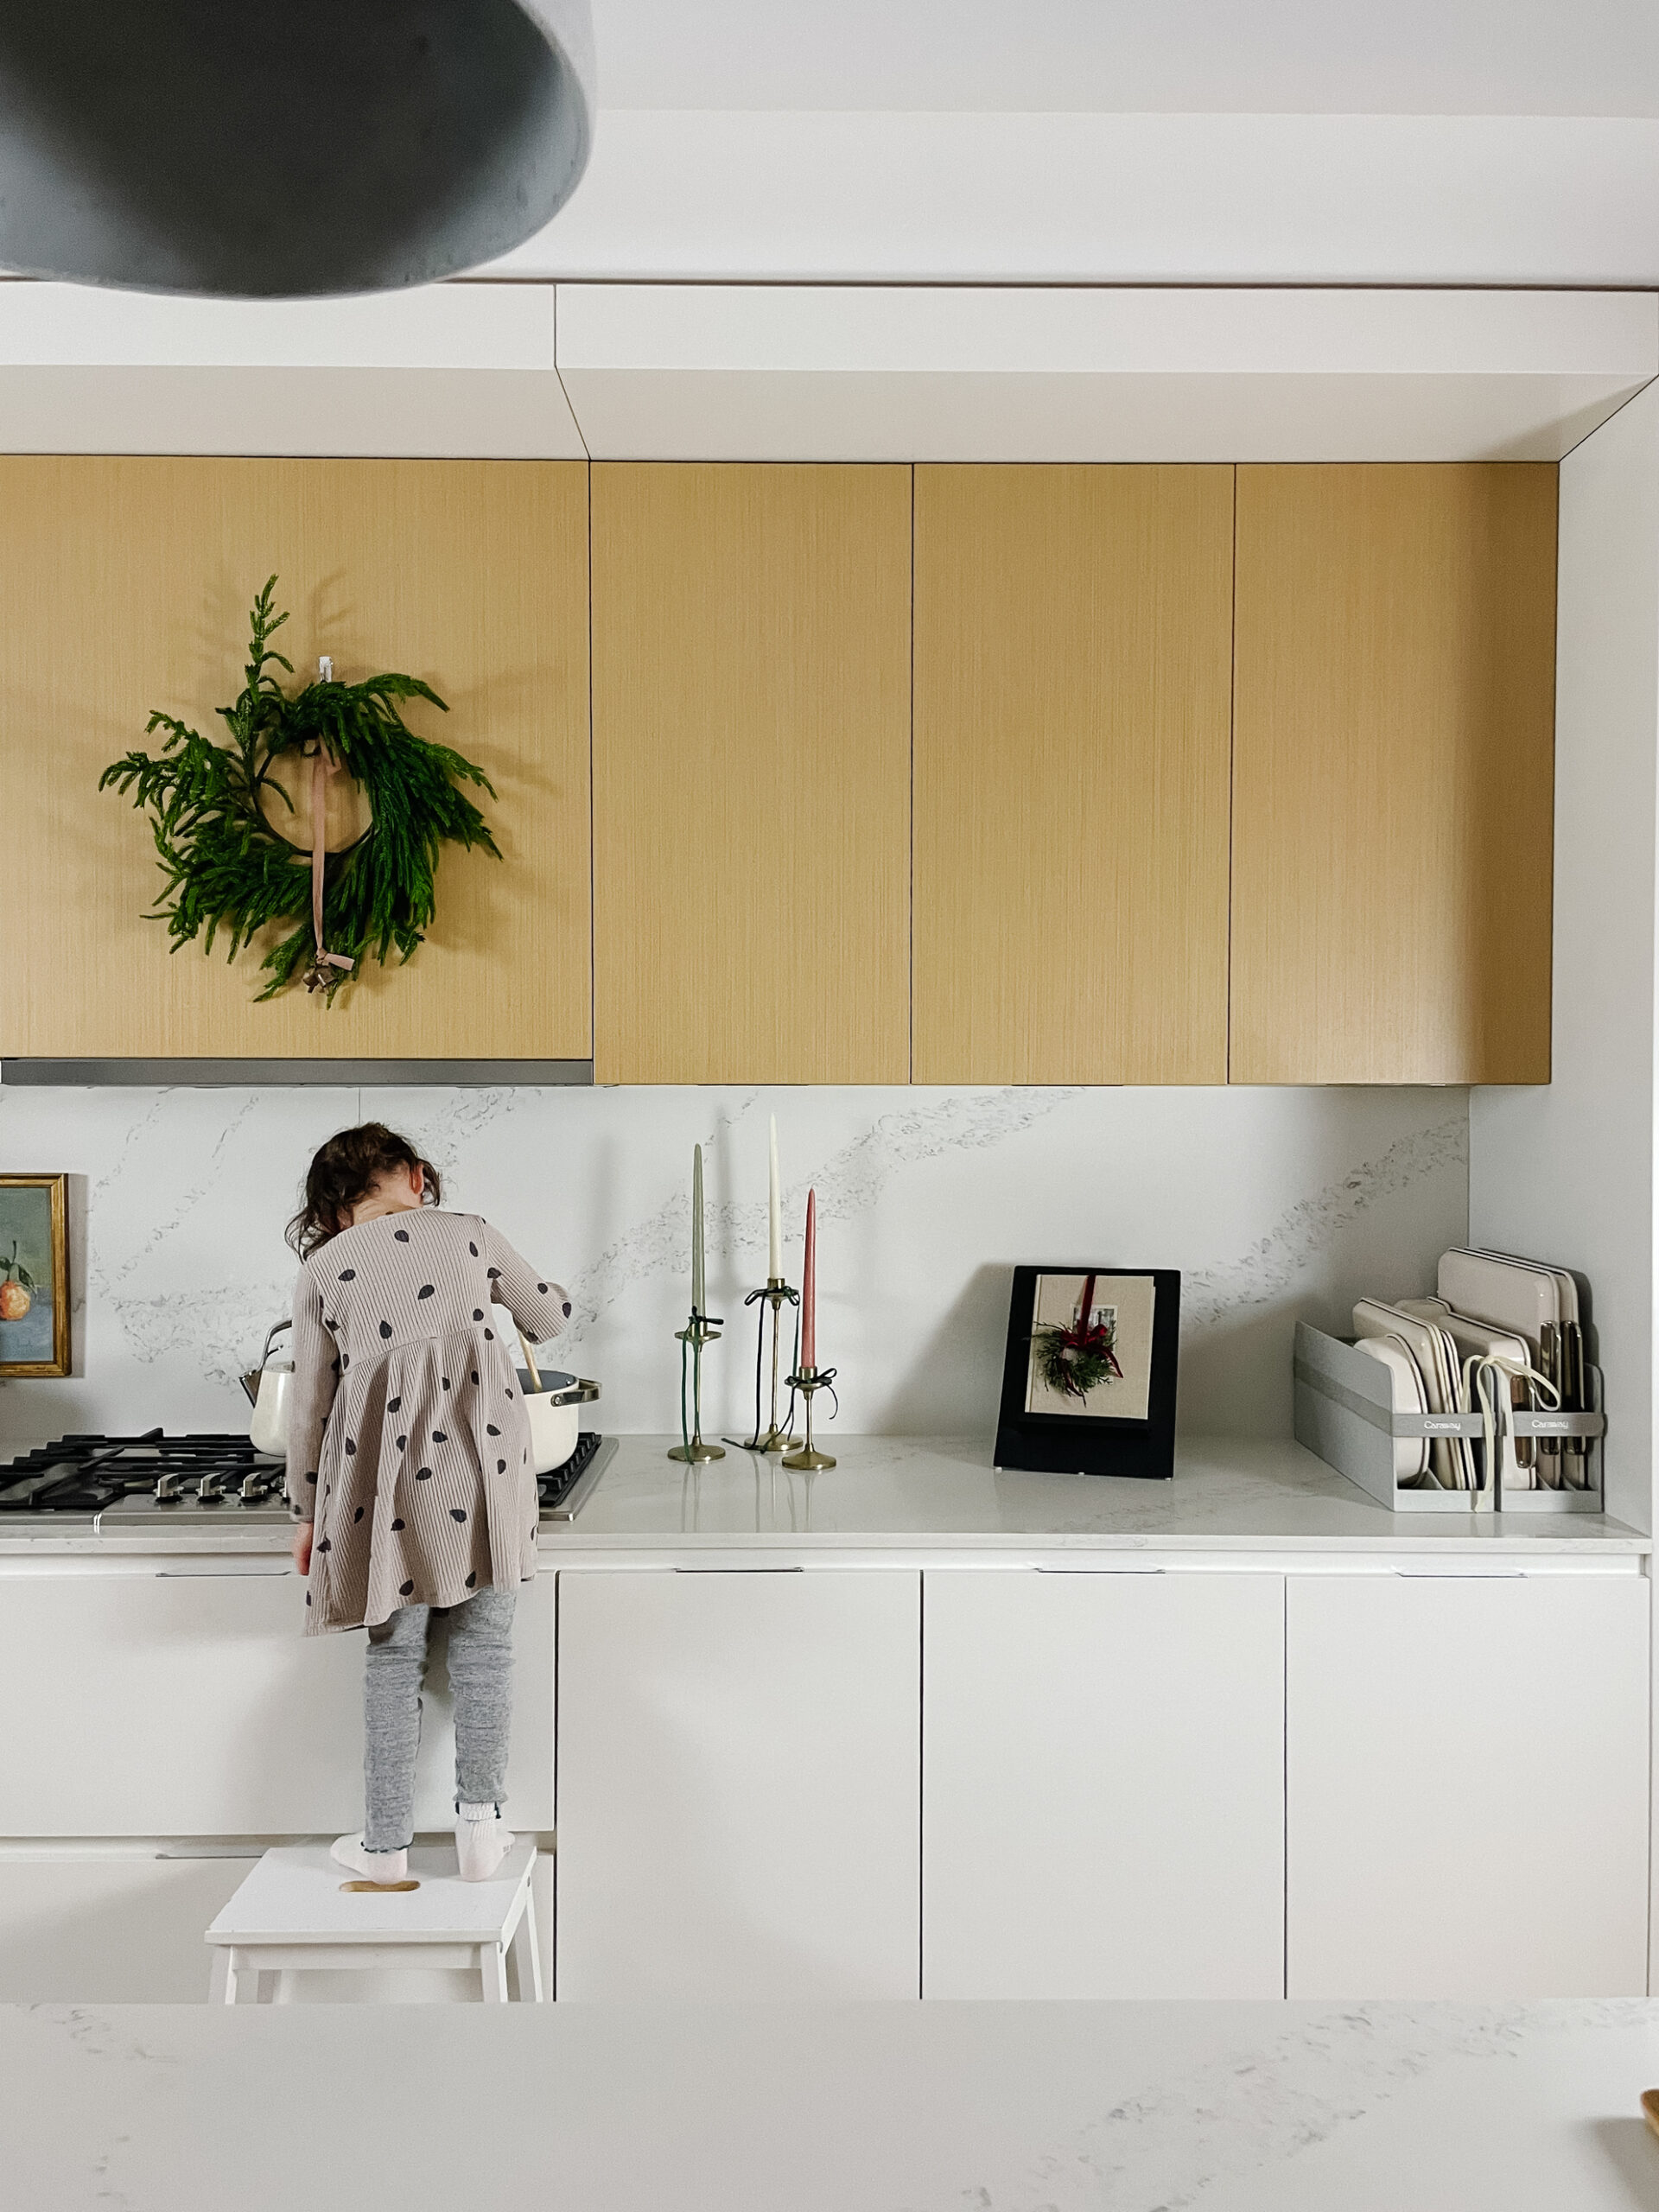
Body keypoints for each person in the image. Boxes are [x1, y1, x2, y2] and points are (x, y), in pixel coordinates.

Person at [283, 1123, 571, 1885]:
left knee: (392, 1662)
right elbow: (549, 1319)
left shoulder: (324, 1269)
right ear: (416, 1177)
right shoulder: (469, 1234)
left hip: (382, 1493)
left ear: (336, 1213)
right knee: (486, 1652)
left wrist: (307, 1515)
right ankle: (481, 1829)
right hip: (485, 1479)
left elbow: (308, 1409)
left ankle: (383, 1848)